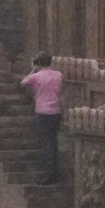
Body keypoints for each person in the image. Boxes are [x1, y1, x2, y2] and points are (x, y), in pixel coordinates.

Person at [21, 51, 64, 185]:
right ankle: (55, 170)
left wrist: (33, 70)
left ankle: (50, 173)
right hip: (56, 111)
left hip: (43, 112)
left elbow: (23, 83)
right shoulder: (58, 75)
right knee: (53, 140)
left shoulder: (36, 77)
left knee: (46, 142)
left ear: (39, 63)